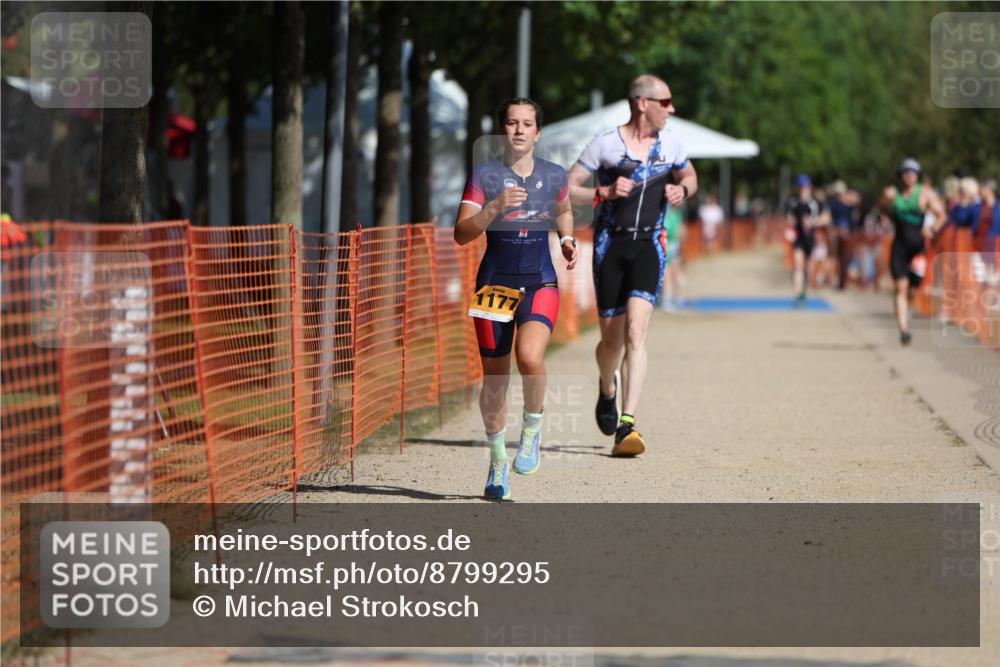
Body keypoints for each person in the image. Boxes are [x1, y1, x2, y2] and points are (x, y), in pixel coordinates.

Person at [567, 74, 698, 457]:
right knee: (610, 342)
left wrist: (682, 189)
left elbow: (690, 175)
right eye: (666, 102)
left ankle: (627, 423)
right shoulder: (606, 144)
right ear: (643, 103)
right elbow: (567, 187)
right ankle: (607, 385)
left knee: (636, 333)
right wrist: (602, 192)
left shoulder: (671, 144)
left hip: (649, 244)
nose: (671, 109)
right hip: (610, 245)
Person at [454, 98, 577, 501]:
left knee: (529, 356)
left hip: (539, 280)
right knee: (494, 380)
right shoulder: (484, 175)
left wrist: (567, 238)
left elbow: (563, 210)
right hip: (495, 283)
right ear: (502, 130)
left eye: (527, 124)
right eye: (512, 123)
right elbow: (461, 233)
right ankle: (497, 463)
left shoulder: (554, 174)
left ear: (538, 133)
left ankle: (531, 432)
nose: (519, 130)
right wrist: (494, 207)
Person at [878, 158, 947, 345]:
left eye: (913, 172)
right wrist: (886, 203)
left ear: (917, 176)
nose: (909, 175)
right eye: (906, 172)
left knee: (913, 289)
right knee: (900, 287)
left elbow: (942, 215)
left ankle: (907, 311)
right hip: (899, 248)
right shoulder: (893, 193)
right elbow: (882, 208)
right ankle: (904, 329)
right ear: (900, 175)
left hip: (918, 249)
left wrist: (932, 229)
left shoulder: (925, 194)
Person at [785, 174, 825, 307]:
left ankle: (803, 292)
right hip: (798, 237)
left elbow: (826, 217)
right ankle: (797, 294)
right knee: (798, 265)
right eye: (802, 187)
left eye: (806, 187)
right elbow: (789, 218)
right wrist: (793, 222)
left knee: (807, 267)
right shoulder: (793, 202)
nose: (804, 190)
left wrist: (814, 222)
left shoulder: (815, 203)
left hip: (810, 238)